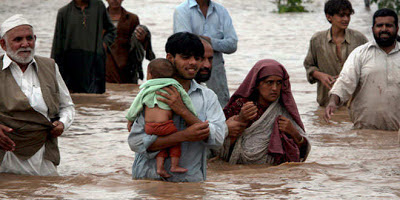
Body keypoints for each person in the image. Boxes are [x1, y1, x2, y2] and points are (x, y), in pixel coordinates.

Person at [127, 32, 226, 182]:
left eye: (198, 58)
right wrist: (184, 136)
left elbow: (218, 139)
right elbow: (135, 142)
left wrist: (183, 111)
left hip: (189, 183)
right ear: (170, 58)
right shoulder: (152, 92)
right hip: (149, 182)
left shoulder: (207, 97)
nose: (193, 63)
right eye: (186, 57)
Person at [0, 14, 75, 176]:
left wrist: (62, 124)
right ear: (3, 45)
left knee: (46, 190)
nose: (25, 44)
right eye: (18, 39)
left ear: (35, 39)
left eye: (29, 38)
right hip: (6, 156)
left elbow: (67, 106)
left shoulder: (50, 66)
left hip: (44, 154)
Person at [221, 59, 311, 165]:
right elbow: (218, 148)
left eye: (279, 83)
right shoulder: (240, 106)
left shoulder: (284, 109)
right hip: (241, 173)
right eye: (269, 82)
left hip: (276, 175)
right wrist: (241, 120)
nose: (274, 88)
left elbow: (303, 153)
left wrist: (294, 133)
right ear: (257, 84)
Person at [325, 8, 400, 131]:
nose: (384, 29)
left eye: (389, 25)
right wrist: (333, 102)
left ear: (396, 29)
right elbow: (344, 81)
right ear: (373, 29)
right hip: (364, 134)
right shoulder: (360, 53)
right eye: (379, 25)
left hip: (397, 136)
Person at [126, 58, 197, 178]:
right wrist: (191, 115)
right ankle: (174, 165)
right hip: (165, 126)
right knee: (174, 142)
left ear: (149, 74)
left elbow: (136, 105)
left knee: (161, 145)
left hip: (149, 127)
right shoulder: (174, 87)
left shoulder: (146, 89)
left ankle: (160, 168)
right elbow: (186, 101)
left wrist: (130, 119)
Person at [173, 0, 238, 107]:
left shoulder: (221, 11)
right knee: (190, 104)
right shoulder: (182, 10)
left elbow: (232, 45)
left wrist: (209, 41)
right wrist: (214, 44)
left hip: (216, 73)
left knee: (220, 107)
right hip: (191, 71)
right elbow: (184, 44)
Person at [303, 0, 368, 106]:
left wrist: (348, 76)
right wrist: (320, 75)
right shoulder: (317, 40)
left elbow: (370, 67)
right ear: (329, 17)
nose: (346, 19)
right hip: (326, 103)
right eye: (341, 15)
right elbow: (309, 65)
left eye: (348, 15)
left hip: (354, 104)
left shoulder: (359, 39)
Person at [51, 0, 116, 93]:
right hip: (72, 65)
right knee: (74, 100)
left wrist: (103, 45)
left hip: (94, 63)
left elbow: (112, 30)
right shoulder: (64, 12)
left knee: (96, 101)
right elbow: (57, 46)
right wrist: (54, 73)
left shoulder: (98, 6)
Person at [105, 0, 155, 83]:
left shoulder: (132, 18)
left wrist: (142, 37)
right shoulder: (98, 17)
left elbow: (137, 44)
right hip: (105, 66)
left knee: (127, 91)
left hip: (126, 66)